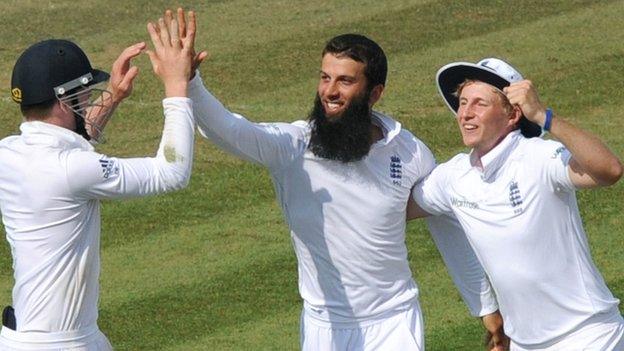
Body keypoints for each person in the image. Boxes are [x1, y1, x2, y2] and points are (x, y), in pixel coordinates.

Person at [163, 7, 504, 349]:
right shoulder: (293, 146)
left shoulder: (409, 152)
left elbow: (446, 224)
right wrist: (189, 83)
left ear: (375, 93)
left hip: (394, 324)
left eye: (345, 80)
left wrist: (486, 308)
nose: (329, 91)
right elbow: (229, 130)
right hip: (323, 329)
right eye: (325, 77)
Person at [0, 11, 198, 350]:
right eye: (85, 95)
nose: (91, 100)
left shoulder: (9, 153)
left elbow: (67, 150)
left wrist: (114, 96)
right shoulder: (71, 169)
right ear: (64, 100)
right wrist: (177, 86)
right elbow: (172, 172)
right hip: (64, 344)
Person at [409, 57, 624, 350]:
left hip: (589, 335)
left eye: (479, 104)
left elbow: (609, 170)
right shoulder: (453, 177)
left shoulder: (538, 157)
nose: (465, 114)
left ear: (512, 115)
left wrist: (545, 118)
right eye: (462, 103)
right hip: (523, 343)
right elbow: (395, 206)